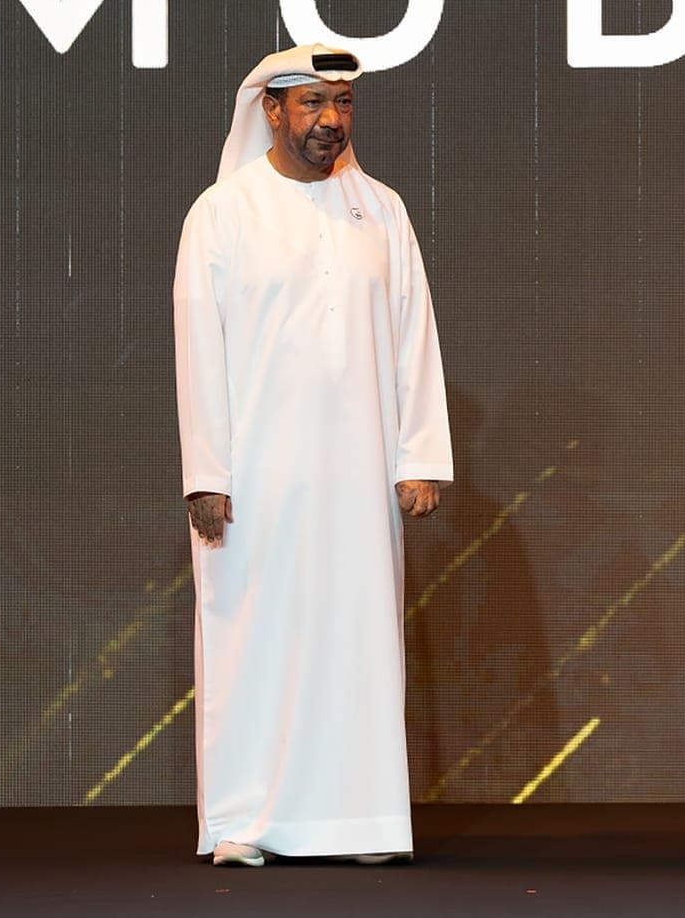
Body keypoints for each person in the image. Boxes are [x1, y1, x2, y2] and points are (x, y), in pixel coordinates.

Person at [173, 42, 453, 867]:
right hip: (255, 480)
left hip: (358, 476)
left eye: (344, 105)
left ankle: (357, 822)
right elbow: (198, 348)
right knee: (252, 639)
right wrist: (206, 473)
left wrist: (419, 455)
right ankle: (244, 822)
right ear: (271, 108)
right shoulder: (222, 213)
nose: (332, 121)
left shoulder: (383, 209)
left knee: (357, 638)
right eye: (314, 104)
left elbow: (413, 334)